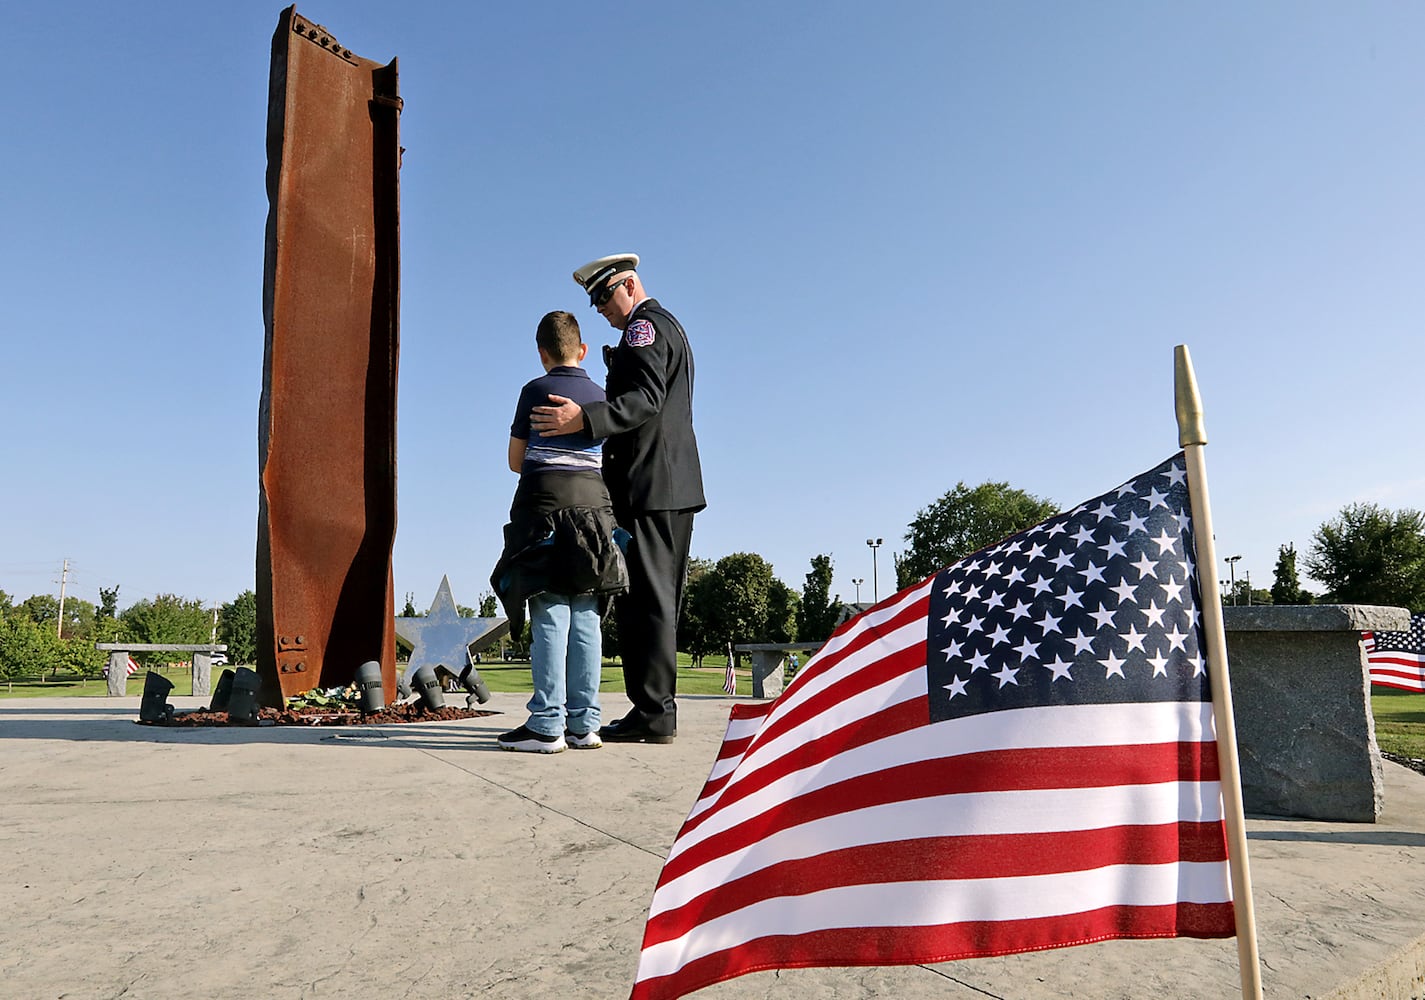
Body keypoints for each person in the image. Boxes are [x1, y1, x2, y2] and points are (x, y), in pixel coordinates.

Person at [530, 254, 705, 744]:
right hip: (668, 485)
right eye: (596, 301)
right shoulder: (665, 326)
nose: (602, 308)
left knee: (647, 602)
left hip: (650, 486)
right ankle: (652, 710)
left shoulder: (644, 330)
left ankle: (653, 714)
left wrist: (582, 420)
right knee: (656, 601)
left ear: (629, 284)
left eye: (606, 296)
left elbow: (646, 400)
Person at [491, 310, 627, 753]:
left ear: (542, 353)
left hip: (544, 509)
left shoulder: (534, 391)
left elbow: (516, 460)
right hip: (595, 511)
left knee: (550, 610)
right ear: (582, 350)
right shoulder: (599, 396)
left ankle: (546, 725)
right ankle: (585, 725)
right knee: (587, 613)